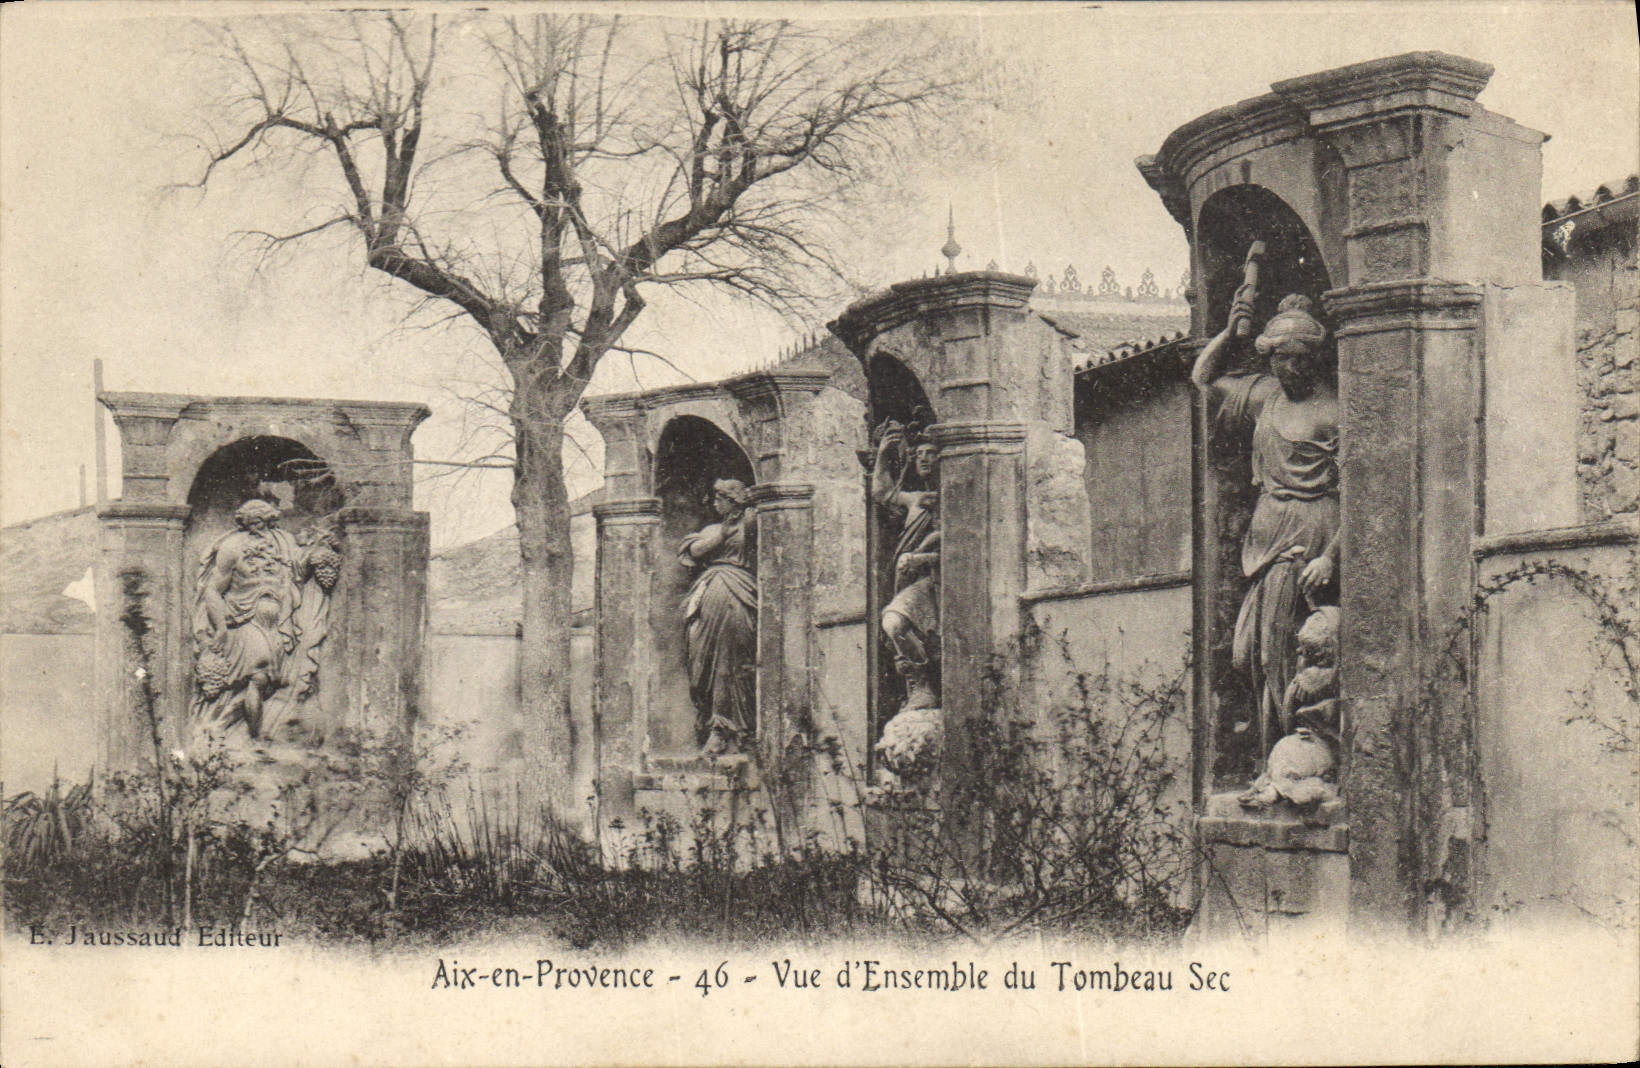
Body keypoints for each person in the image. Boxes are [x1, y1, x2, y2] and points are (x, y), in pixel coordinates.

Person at [1192, 290, 1339, 756]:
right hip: (1267, 530)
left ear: (1314, 358)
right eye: (1279, 358)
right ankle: (1275, 750)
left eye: (1298, 359)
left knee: (1283, 649)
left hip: (1311, 529)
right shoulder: (1264, 396)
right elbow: (1204, 378)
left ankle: (1289, 751)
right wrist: (1230, 330)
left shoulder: (1334, 409)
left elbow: (1356, 491)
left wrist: (1331, 557)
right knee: (1247, 653)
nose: (1289, 369)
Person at [191, 498, 339, 738]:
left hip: (280, 622)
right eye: (249, 523)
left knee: (270, 682)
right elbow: (213, 590)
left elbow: (300, 571)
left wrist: (322, 548)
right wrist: (219, 628)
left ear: (269, 520)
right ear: (243, 523)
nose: (255, 527)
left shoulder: (284, 543)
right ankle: (254, 738)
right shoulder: (232, 547)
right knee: (258, 678)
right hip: (245, 620)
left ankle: (220, 727)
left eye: (260, 522)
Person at [679, 478, 759, 756]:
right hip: (709, 596)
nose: (715, 504)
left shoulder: (751, 524)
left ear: (733, 501)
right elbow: (694, 551)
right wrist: (722, 534)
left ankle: (726, 729)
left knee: (732, 661)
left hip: (739, 594)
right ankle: (711, 723)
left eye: (720, 499)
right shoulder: (714, 529)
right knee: (701, 661)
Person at [872, 420, 941, 712]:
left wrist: (920, 558)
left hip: (937, 581)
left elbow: (960, 547)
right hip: (908, 578)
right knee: (892, 625)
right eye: (917, 454)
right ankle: (917, 685)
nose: (922, 458)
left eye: (930, 452)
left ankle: (923, 683)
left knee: (894, 622)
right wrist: (882, 456)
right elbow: (881, 493)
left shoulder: (953, 496)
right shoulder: (914, 499)